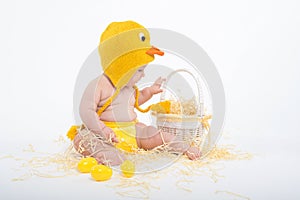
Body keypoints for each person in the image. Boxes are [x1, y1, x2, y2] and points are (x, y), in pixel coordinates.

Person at [72, 21, 201, 166]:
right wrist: (103, 130)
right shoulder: (100, 85)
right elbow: (86, 111)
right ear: (122, 67)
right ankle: (106, 153)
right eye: (140, 70)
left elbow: (135, 101)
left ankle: (181, 146)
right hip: (105, 135)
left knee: (152, 133)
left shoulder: (129, 87)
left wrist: (150, 91)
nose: (143, 75)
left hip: (133, 132)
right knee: (82, 138)